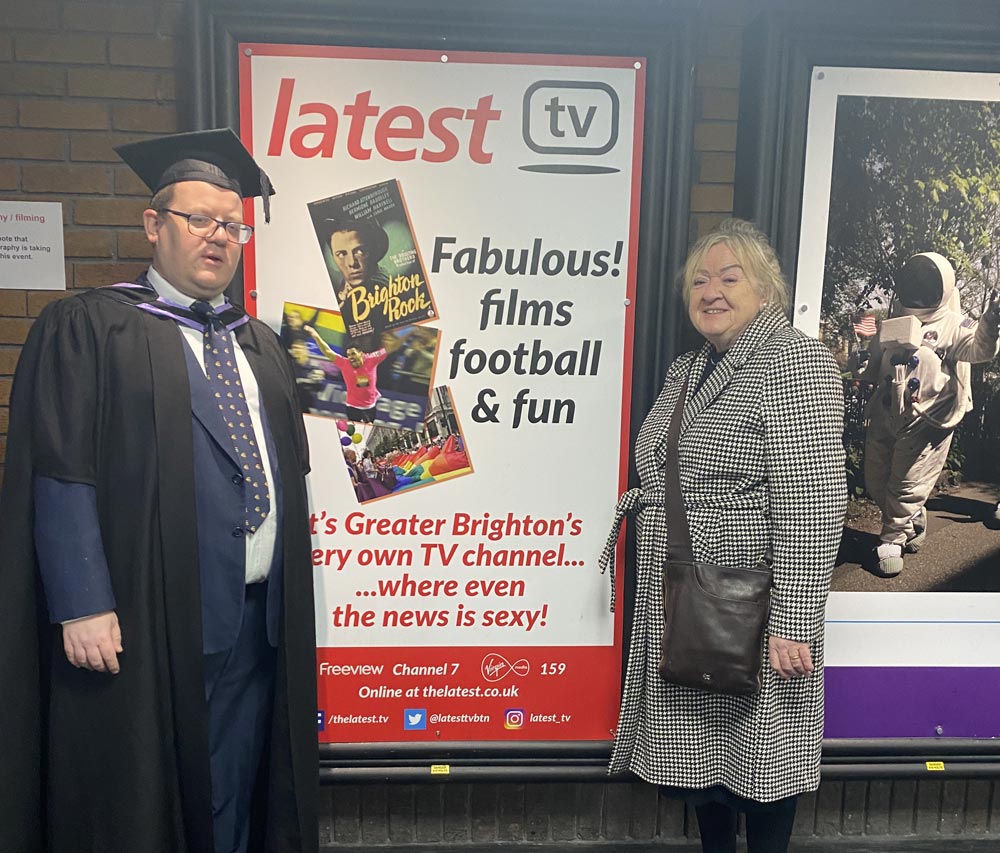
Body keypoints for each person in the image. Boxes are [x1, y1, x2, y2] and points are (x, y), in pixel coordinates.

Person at [0, 129, 318, 853]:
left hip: (255, 614)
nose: (219, 236)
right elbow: (61, 468)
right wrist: (81, 601)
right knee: (142, 791)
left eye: (232, 224)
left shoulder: (260, 345)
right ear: (153, 224)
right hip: (146, 620)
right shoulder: (90, 329)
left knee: (238, 777)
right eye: (199, 219)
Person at [600, 219, 846, 853]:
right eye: (700, 280)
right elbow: (655, 460)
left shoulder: (793, 363)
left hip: (754, 602)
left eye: (729, 278)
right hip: (686, 590)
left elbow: (813, 501)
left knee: (763, 760)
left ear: (766, 291)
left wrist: (795, 620)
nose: (711, 291)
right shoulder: (689, 370)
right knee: (704, 765)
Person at [858, 252, 1000, 575]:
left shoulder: (952, 324)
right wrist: (863, 370)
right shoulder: (895, 320)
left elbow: (980, 350)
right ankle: (913, 517)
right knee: (875, 477)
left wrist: (990, 323)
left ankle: (892, 537)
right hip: (886, 413)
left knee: (906, 480)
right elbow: (875, 363)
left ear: (944, 286)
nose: (920, 287)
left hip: (926, 418)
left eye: (927, 280)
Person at [320, 217, 391, 347]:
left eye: (360, 251)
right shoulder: (338, 292)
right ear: (333, 257)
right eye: (341, 254)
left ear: (372, 251)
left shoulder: (381, 286)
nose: (352, 263)